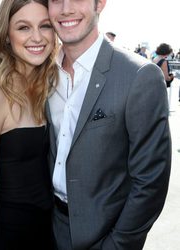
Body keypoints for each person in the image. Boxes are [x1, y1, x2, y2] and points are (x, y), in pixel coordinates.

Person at [47, 0, 171, 249]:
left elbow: (150, 180)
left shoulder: (138, 75)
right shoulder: (43, 73)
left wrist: (118, 244)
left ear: (100, 3)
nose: (66, 8)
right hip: (49, 230)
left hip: (106, 237)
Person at [0, 0, 58, 249]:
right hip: (6, 235)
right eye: (24, 27)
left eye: (45, 25)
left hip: (45, 232)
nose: (37, 37)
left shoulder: (45, 85)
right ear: (6, 35)